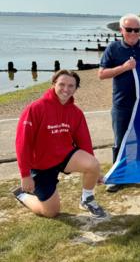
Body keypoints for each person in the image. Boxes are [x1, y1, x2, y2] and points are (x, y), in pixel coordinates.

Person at [12, 70, 107, 218]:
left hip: (64, 156)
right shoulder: (35, 108)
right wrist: (25, 175)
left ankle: (86, 199)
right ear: (53, 84)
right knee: (51, 212)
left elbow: (84, 142)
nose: (66, 89)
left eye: (71, 86)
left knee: (93, 164)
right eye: (62, 84)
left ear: (76, 88)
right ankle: (22, 195)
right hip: (41, 165)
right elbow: (22, 143)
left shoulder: (76, 112)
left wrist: (95, 172)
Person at [98, 13, 140, 192]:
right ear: (121, 30)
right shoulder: (113, 48)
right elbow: (101, 74)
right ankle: (119, 176)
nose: (133, 33)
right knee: (120, 141)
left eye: (136, 30)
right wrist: (124, 68)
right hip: (122, 104)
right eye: (129, 30)